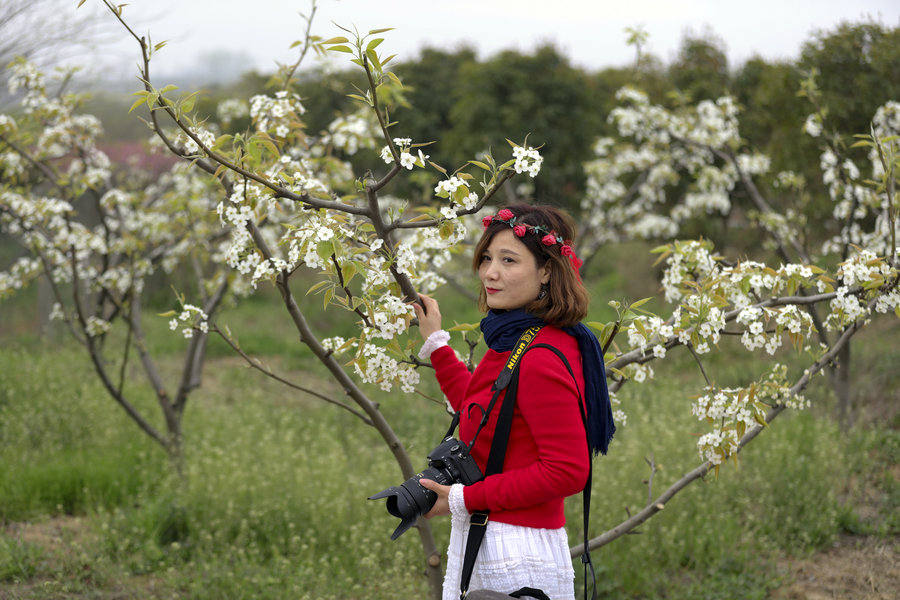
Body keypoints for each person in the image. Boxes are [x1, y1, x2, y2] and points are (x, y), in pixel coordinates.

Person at [412, 204, 615, 600]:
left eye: (509, 260)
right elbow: (483, 413)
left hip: (513, 552)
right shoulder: (518, 337)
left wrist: (462, 498)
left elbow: (569, 470)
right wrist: (436, 343)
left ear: (546, 271)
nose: (490, 272)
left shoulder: (539, 353)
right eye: (487, 258)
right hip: (493, 536)